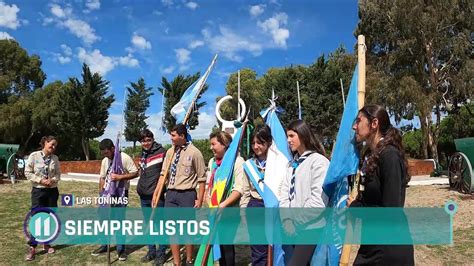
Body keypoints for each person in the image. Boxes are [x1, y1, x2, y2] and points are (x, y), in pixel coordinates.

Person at [349, 104, 414, 265]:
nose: (354, 126)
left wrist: (356, 208)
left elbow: (391, 211)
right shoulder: (372, 155)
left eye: (358, 121)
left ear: (374, 123)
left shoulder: (389, 156)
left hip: (388, 247)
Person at [152, 124, 206, 266]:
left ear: (182, 136)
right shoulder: (170, 152)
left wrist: (199, 199)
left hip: (187, 194)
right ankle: (177, 262)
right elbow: (163, 174)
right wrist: (157, 192)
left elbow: (202, 179)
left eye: (174, 135)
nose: (171, 138)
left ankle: (188, 259)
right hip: (171, 195)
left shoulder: (195, 153)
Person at [278, 120, 329, 266]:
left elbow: (318, 200)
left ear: (303, 135)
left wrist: (296, 221)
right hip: (292, 227)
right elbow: (284, 195)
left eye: (292, 136)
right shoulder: (291, 164)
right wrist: (287, 220)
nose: (288, 140)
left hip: (311, 227)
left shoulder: (319, 162)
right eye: (287, 136)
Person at [91, 138, 138, 261]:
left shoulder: (125, 158)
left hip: (120, 194)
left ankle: (121, 250)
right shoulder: (105, 161)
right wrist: (101, 194)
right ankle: (104, 245)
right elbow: (102, 177)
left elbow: (135, 173)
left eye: (107, 152)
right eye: (103, 154)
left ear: (113, 148)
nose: (105, 155)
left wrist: (120, 177)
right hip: (106, 195)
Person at [207, 131, 247, 266]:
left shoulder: (237, 161)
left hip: (229, 211)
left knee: (227, 245)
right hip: (214, 210)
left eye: (214, 144)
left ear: (224, 144)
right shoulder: (213, 162)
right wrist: (209, 200)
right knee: (217, 244)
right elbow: (210, 185)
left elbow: (239, 189)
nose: (211, 148)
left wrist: (223, 205)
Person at [24, 136, 61, 261]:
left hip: (52, 192)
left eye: (55, 146)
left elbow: (58, 174)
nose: (53, 148)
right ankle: (32, 248)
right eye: (51, 145)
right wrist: (41, 180)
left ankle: (46, 244)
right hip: (38, 192)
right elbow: (27, 172)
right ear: (45, 143)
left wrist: (52, 180)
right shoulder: (34, 156)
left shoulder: (55, 158)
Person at [241, 125, 272, 266]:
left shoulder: (278, 163)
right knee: (258, 248)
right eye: (253, 143)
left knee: (274, 248)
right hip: (255, 206)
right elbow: (245, 191)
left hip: (273, 207)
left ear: (269, 143)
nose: (256, 146)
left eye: (260, 143)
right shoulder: (249, 165)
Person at [136, 129, 169, 264]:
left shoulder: (162, 152)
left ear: (153, 139)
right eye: (143, 141)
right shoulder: (143, 154)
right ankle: (151, 251)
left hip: (157, 196)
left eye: (148, 140)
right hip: (143, 195)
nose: (146, 143)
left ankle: (161, 253)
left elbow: (167, 173)